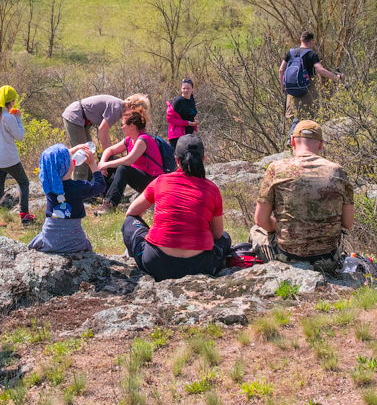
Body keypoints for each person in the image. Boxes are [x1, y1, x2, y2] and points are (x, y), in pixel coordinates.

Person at [121, 135, 232, 281]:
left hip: (155, 263)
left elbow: (132, 212)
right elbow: (217, 235)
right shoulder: (212, 189)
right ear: (203, 159)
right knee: (225, 237)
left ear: (177, 160)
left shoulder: (161, 181)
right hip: (201, 266)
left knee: (129, 221)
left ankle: (134, 253)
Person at [250, 120, 354, 268]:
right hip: (328, 259)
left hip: (287, 258)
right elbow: (347, 223)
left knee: (256, 230)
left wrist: (281, 227)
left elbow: (261, 220)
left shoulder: (276, 168)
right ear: (321, 144)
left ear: (292, 141)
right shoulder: (338, 171)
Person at [28, 144, 106, 255]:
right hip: (75, 243)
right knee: (87, 244)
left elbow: (52, 160)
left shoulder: (48, 186)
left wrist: (73, 150)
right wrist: (92, 164)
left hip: (50, 242)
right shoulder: (79, 187)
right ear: (69, 165)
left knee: (38, 240)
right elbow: (101, 185)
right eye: (70, 157)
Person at [0, 85, 34, 230]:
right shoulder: (9, 117)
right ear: (9, 102)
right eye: (13, 101)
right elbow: (20, 137)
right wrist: (18, 119)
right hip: (9, 158)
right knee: (23, 182)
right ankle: (24, 215)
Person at [96, 109, 165, 212]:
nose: (121, 127)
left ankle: (109, 205)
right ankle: (99, 194)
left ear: (132, 126)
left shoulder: (143, 140)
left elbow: (129, 160)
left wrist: (106, 165)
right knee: (111, 159)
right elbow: (110, 150)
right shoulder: (130, 139)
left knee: (123, 168)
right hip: (141, 176)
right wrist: (103, 164)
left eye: (123, 124)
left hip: (152, 181)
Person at [280, 31, 343, 131]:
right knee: (305, 117)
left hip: (291, 91)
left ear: (301, 40)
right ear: (311, 41)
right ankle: (292, 137)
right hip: (306, 91)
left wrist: (282, 86)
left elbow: (281, 70)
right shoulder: (311, 54)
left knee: (295, 116)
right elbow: (321, 70)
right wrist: (337, 78)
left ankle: (292, 137)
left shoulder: (290, 53)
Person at [61, 95, 127, 181]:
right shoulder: (118, 108)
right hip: (75, 115)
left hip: (81, 118)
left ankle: (89, 188)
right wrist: (108, 156)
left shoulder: (118, 105)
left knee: (89, 154)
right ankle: (78, 190)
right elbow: (103, 130)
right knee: (82, 155)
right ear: (132, 106)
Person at [166, 79, 198, 148]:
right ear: (181, 89)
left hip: (190, 135)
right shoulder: (177, 102)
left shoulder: (192, 100)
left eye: (188, 88)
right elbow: (170, 119)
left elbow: (192, 116)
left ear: (192, 89)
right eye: (184, 88)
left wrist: (195, 129)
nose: (186, 90)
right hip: (177, 137)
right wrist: (186, 123)